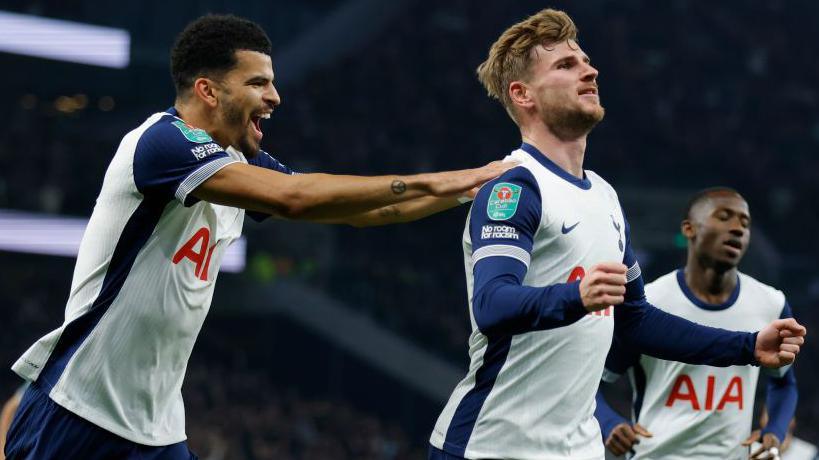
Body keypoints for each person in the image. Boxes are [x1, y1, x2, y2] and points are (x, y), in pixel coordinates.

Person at [4, 15, 512, 460]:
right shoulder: (162, 142)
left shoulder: (237, 162)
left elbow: (364, 212)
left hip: (154, 428)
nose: (275, 97)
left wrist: (470, 189)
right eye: (259, 83)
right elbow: (295, 197)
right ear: (208, 90)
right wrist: (440, 178)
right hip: (76, 409)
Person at [427, 9, 806, 460]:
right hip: (492, 446)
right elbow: (490, 305)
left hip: (579, 450)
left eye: (585, 61)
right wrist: (575, 296)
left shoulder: (605, 197)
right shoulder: (514, 186)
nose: (590, 70)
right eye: (566, 65)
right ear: (522, 93)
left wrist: (745, 347)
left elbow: (636, 320)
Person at [594, 188, 798, 459]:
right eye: (724, 217)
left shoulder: (770, 304)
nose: (738, 228)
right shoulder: (647, 305)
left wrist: (774, 431)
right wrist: (609, 423)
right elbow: (593, 380)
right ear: (689, 229)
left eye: (745, 223)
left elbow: (784, 383)